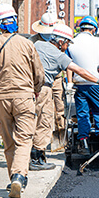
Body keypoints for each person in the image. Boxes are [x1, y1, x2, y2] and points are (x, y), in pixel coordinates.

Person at [0, 4, 44, 198]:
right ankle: (18, 176)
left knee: (8, 143)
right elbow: (39, 73)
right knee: (24, 140)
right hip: (24, 98)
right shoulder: (27, 44)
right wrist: (36, 90)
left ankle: (14, 179)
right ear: (15, 21)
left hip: (1, 99)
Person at [67, 16, 99, 155]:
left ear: (80, 28)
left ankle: (84, 144)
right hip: (95, 84)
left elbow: (68, 64)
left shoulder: (71, 43)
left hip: (79, 85)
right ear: (94, 29)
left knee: (82, 114)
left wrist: (69, 83)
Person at [30, 13, 67, 151]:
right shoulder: (32, 41)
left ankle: (58, 143)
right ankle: (36, 145)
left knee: (59, 108)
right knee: (40, 112)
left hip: (56, 77)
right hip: (38, 81)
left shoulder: (59, 38)